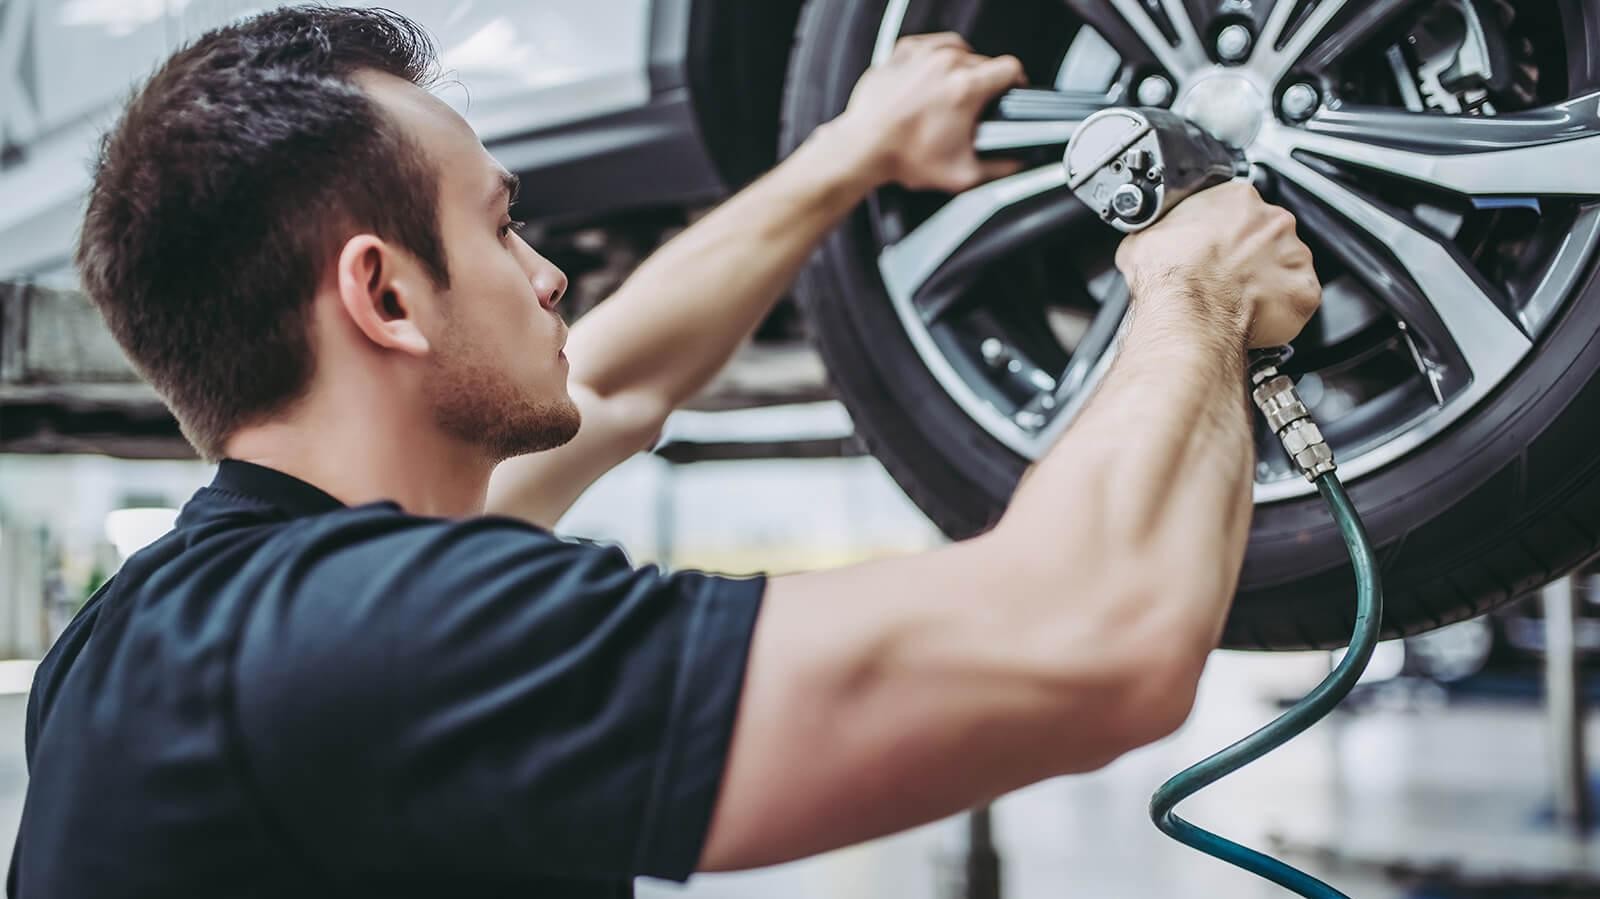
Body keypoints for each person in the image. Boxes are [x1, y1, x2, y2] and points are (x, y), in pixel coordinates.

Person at [8, 6, 1321, 897]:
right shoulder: (352, 641)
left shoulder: (197, 624)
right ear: (385, 298)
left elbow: (622, 379)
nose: (549, 278)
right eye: (504, 230)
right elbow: (1091, 643)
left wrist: (847, 156)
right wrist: (1191, 291)